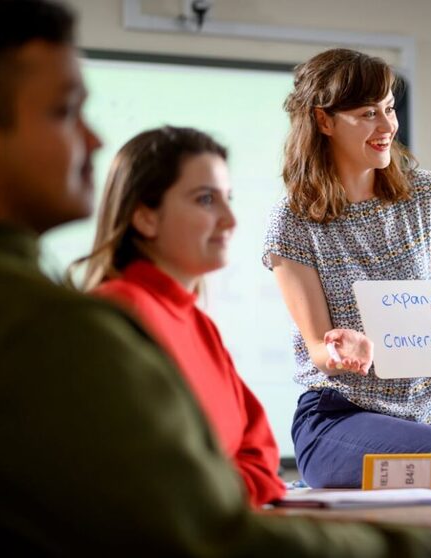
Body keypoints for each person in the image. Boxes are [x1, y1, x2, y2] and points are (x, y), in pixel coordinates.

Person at [0, 1, 431, 555]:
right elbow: (204, 530)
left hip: (429, 402)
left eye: (389, 108)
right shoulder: (76, 325)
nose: (91, 140)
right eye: (65, 112)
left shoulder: (186, 324)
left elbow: (250, 456)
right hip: (345, 416)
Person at [263, 48, 431, 488]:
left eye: (390, 108)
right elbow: (319, 349)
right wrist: (340, 351)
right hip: (341, 420)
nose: (387, 127)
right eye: (366, 113)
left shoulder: (424, 194)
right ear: (324, 121)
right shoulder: (294, 220)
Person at [70, 126, 285, 507]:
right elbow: (148, 480)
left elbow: (261, 455)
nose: (230, 220)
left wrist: (220, 495)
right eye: (206, 200)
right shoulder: (118, 315)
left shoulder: (199, 323)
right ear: (145, 217)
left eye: (227, 198)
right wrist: (224, 494)